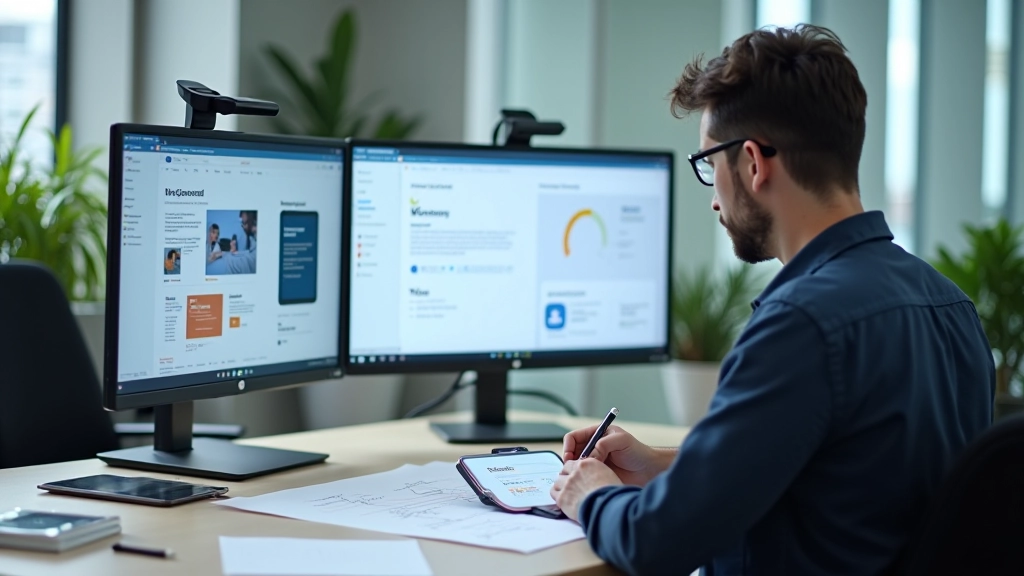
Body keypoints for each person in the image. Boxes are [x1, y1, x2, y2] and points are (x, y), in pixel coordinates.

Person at [551, 25, 994, 576]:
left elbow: (657, 543)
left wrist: (589, 493)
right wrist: (667, 466)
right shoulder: (951, 305)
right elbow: (840, 471)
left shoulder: (801, 323)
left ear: (754, 163)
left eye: (709, 167)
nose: (713, 198)